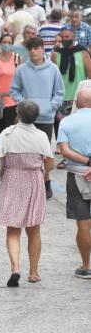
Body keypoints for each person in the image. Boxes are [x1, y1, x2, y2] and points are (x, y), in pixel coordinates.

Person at [0, 101, 54, 287]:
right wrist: (44, 176)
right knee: (34, 229)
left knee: (12, 229)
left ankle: (15, 268)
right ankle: (34, 272)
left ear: (18, 114)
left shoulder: (7, 134)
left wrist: (4, 175)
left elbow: (1, 160)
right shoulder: (41, 136)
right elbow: (49, 161)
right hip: (33, 180)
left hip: (12, 179)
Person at [9, 36, 65, 198]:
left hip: (46, 118)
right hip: (26, 119)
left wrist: (50, 106)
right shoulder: (22, 70)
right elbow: (14, 90)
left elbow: (59, 92)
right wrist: (24, 105)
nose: (33, 51)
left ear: (42, 49)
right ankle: (29, 184)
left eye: (36, 48)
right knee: (26, 153)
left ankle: (46, 180)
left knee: (45, 153)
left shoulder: (53, 69)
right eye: (30, 48)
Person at [57, 89, 91, 278]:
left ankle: (86, 266)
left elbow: (65, 151)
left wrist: (87, 162)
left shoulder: (66, 122)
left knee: (83, 221)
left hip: (77, 173)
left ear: (76, 103)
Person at [51, 27, 91, 137]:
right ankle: (60, 146)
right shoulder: (55, 54)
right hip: (60, 96)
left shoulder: (83, 52)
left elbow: (90, 75)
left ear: (73, 37)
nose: (64, 39)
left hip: (78, 97)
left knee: (77, 127)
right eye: (62, 37)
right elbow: (52, 76)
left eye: (67, 37)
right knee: (60, 124)